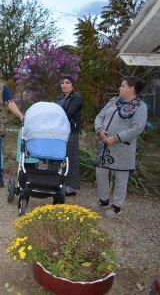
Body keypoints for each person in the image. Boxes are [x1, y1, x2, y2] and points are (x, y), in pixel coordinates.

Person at [95, 76, 147, 217]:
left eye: (123, 85)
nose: (120, 88)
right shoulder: (113, 101)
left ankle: (117, 206)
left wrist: (116, 138)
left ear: (132, 88)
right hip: (104, 146)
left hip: (122, 148)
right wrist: (100, 130)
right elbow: (99, 116)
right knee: (101, 174)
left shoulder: (140, 106)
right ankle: (104, 199)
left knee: (120, 178)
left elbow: (137, 128)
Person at [54, 75, 83, 196]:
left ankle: (71, 188)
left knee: (71, 158)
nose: (64, 85)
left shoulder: (77, 97)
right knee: (56, 157)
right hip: (58, 131)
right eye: (62, 83)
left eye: (67, 83)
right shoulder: (60, 97)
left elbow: (69, 113)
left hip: (71, 131)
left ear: (73, 85)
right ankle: (55, 183)